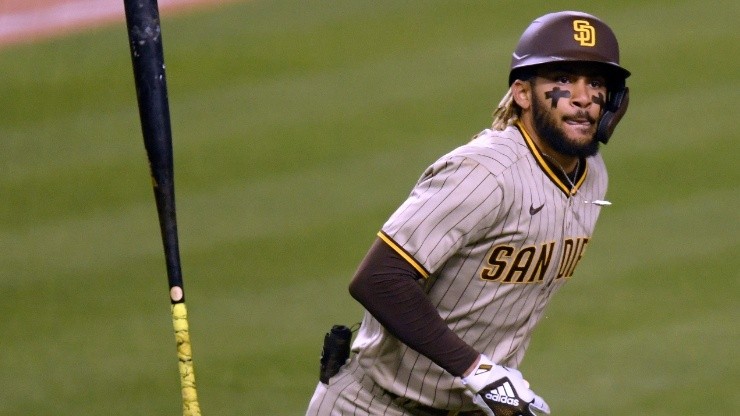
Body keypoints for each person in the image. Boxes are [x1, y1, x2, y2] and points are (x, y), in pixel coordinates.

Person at [306, 10, 630, 416]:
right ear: (523, 94)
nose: (583, 97)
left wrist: (499, 388)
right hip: (376, 406)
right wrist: (481, 373)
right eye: (562, 80)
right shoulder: (484, 172)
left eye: (596, 83)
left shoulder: (592, 176)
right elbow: (379, 279)